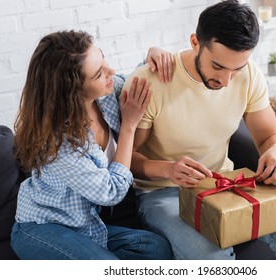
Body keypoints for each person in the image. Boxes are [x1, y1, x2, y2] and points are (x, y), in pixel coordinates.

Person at [124, 0, 276, 260]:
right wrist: (169, 169)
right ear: (195, 43)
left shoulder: (250, 75)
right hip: (162, 192)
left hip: (225, 181)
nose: (226, 81)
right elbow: (128, 158)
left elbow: (269, 136)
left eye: (236, 69)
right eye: (218, 67)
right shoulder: (151, 81)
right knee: (209, 253)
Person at [11, 30, 175, 260]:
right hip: (43, 227)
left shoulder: (105, 96)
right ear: (72, 91)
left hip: (85, 225)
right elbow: (111, 191)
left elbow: (137, 80)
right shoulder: (57, 144)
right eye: (99, 74)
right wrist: (129, 126)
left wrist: (154, 55)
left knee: (155, 248)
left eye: (104, 60)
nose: (111, 71)